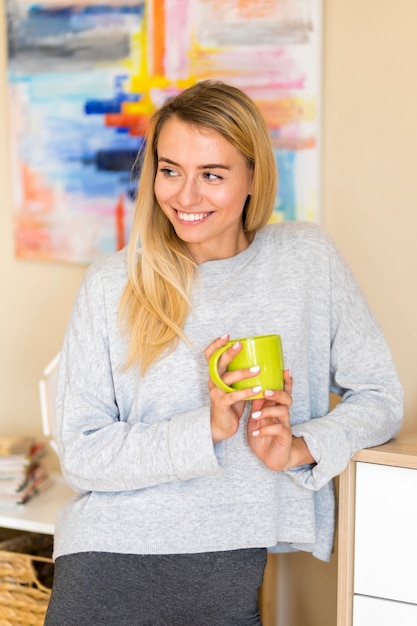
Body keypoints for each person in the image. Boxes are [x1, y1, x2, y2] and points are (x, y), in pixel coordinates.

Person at [45, 80, 403, 625]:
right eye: (170, 170)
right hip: (104, 560)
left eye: (212, 174)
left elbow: (380, 397)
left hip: (224, 566)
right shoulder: (112, 283)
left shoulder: (305, 260)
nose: (185, 198)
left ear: (253, 177)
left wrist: (300, 446)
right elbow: (82, 454)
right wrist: (206, 427)